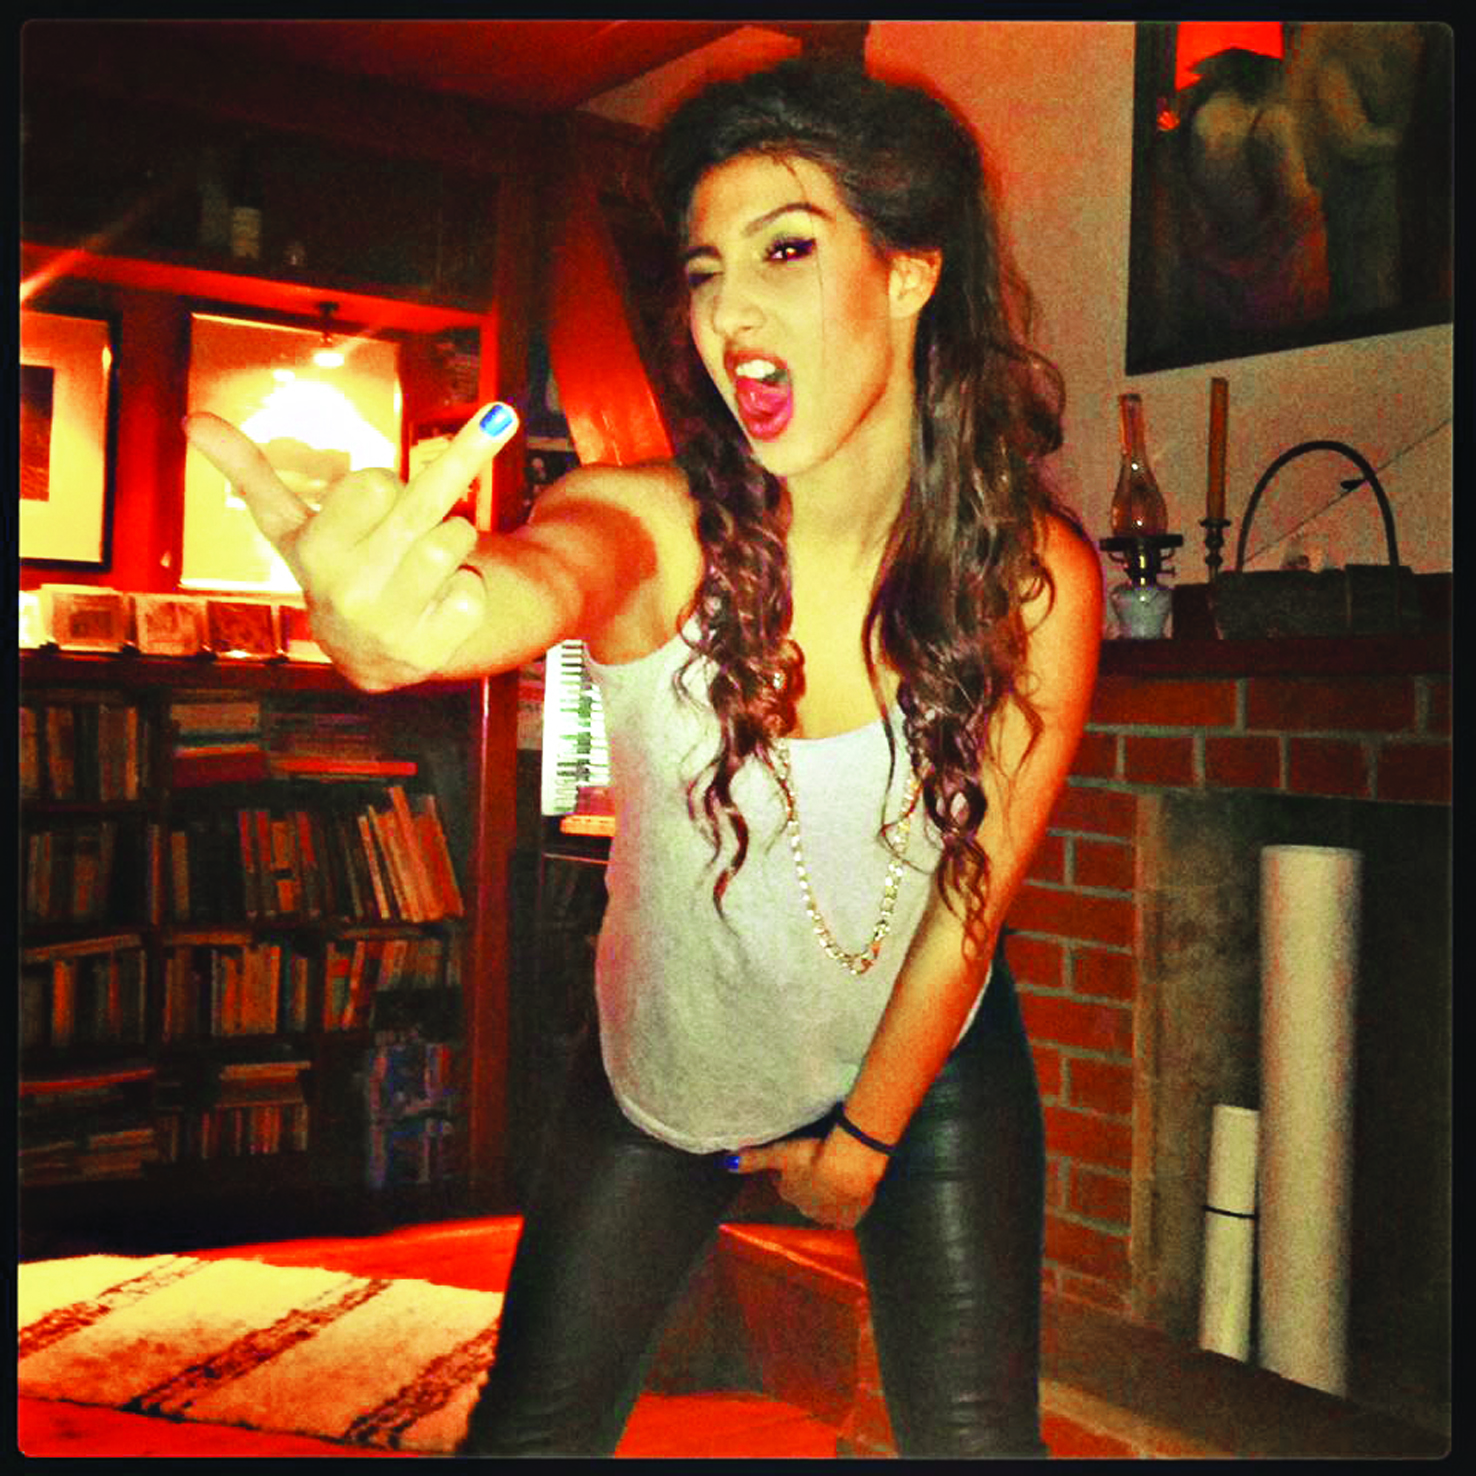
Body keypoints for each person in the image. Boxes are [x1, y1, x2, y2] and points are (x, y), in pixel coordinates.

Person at [185, 58, 1101, 1459]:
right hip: (664, 1076)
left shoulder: (1033, 580)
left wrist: (866, 1139)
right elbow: (547, 571)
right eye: (705, 271)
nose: (727, 313)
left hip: (929, 1065)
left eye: (785, 250)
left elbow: (969, 902)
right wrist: (414, 628)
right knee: (534, 1436)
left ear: (912, 273)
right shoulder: (652, 525)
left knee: (977, 1448)